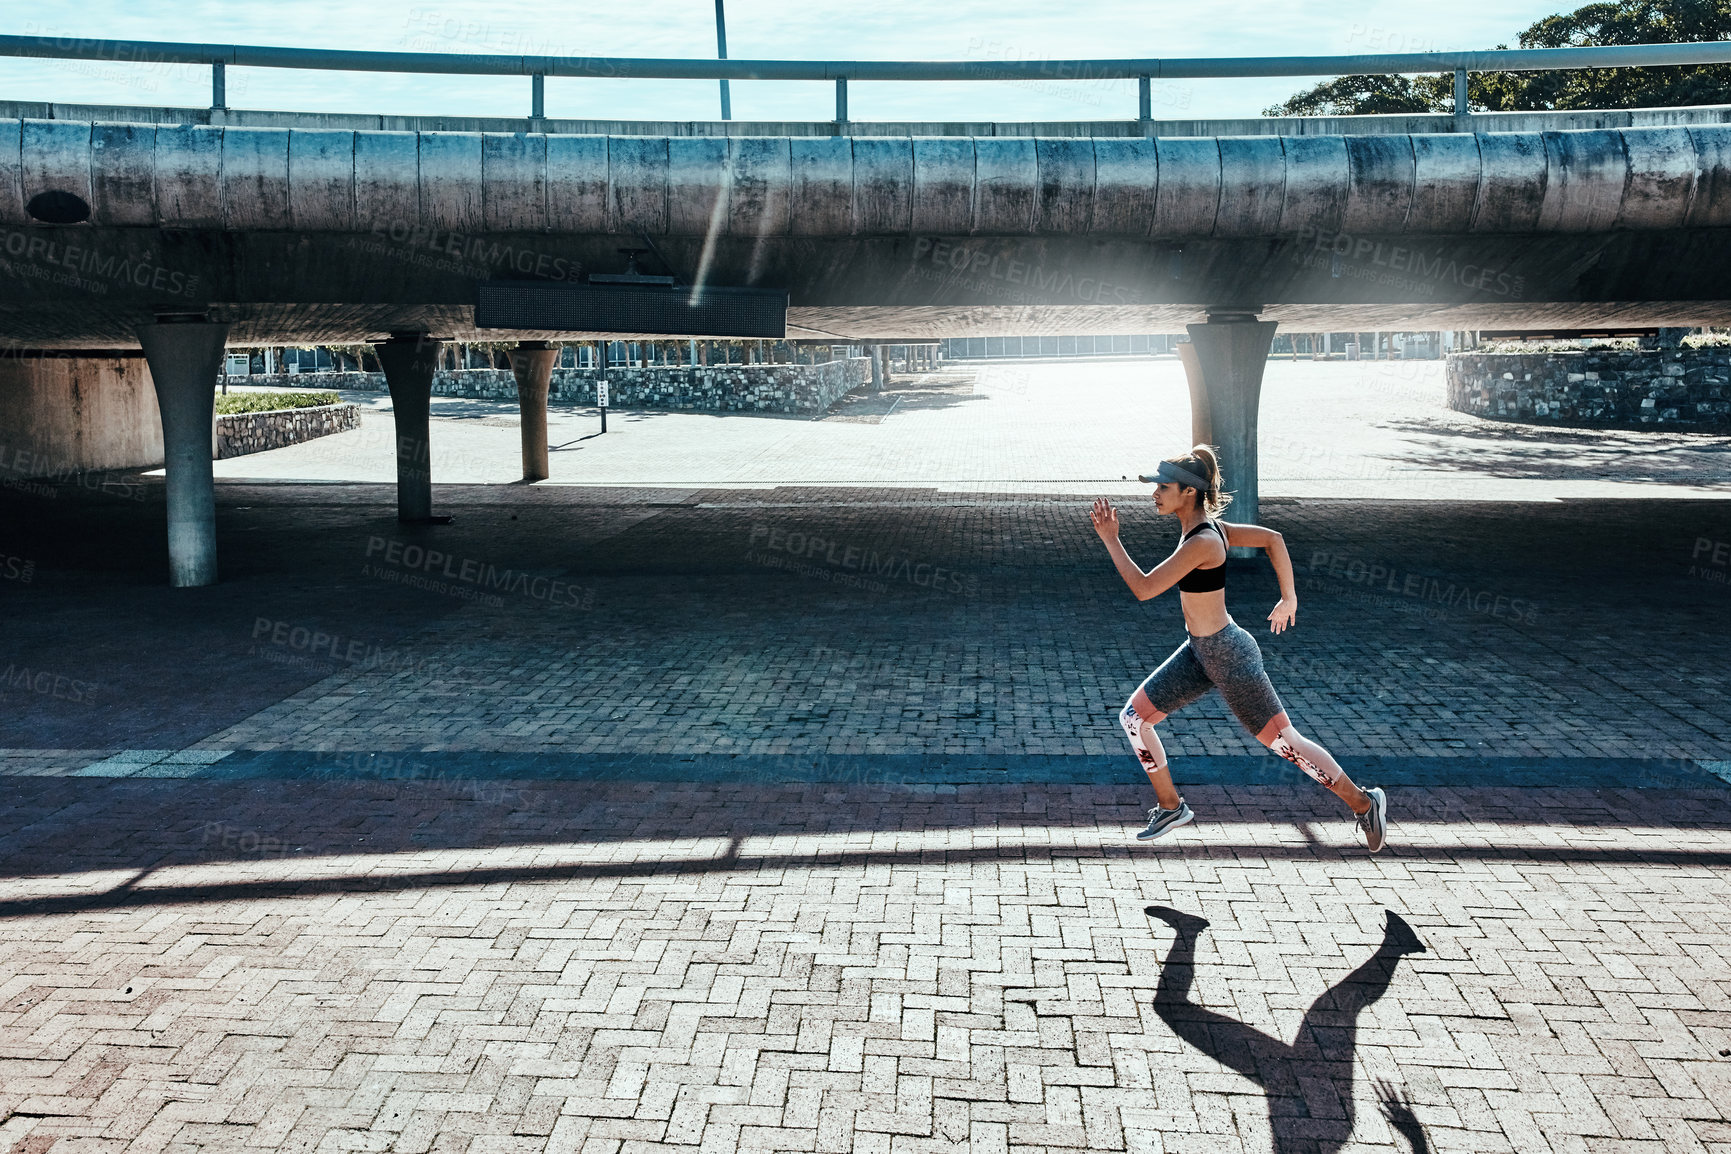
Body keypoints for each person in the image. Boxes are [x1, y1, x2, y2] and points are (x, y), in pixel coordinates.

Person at [1089, 445, 1387, 850]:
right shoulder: (1210, 531)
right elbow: (1273, 539)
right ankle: (1171, 806)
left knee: (1285, 744)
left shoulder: (1205, 542)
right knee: (1134, 719)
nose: (1155, 493)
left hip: (1229, 657)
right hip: (1199, 652)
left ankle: (1364, 803)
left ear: (1189, 493)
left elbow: (1144, 589)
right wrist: (1287, 597)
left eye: (1163, 486)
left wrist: (1111, 539)